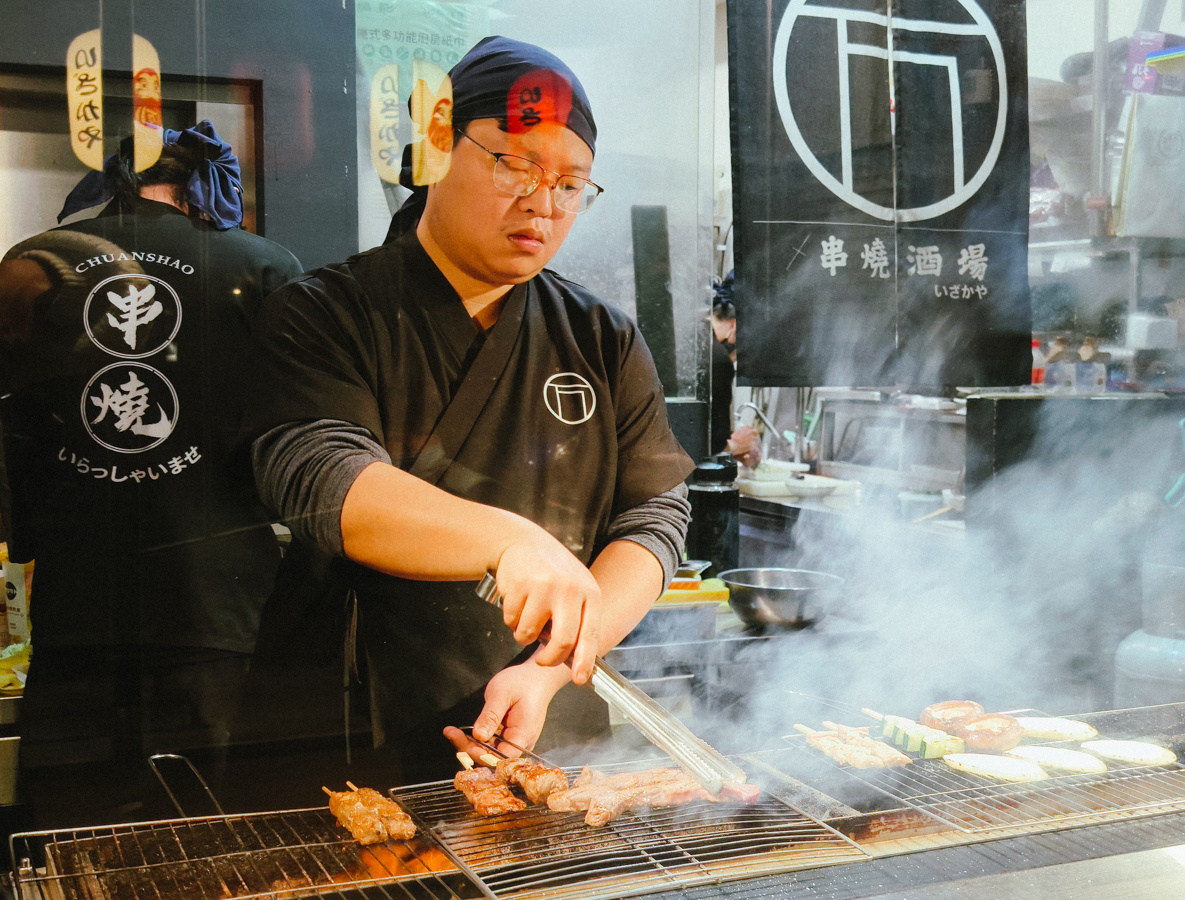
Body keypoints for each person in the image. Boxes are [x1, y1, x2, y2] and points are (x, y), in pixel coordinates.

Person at [245, 36, 694, 783]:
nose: (542, 205)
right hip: (351, 728)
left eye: (570, 183)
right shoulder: (325, 312)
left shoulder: (600, 337)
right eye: (514, 165)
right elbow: (320, 478)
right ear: (438, 149)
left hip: (544, 728)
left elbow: (654, 517)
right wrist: (511, 541)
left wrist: (551, 670)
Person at [0, 121, 303, 826]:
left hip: (76, 598)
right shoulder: (262, 268)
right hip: (214, 599)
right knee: (200, 824)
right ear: (206, 187)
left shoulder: (38, 260)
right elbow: (301, 433)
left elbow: (13, 427)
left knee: (69, 824)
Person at [709, 270, 761, 468]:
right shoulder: (718, 360)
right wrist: (735, 445)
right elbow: (703, 455)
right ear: (736, 325)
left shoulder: (696, 343)